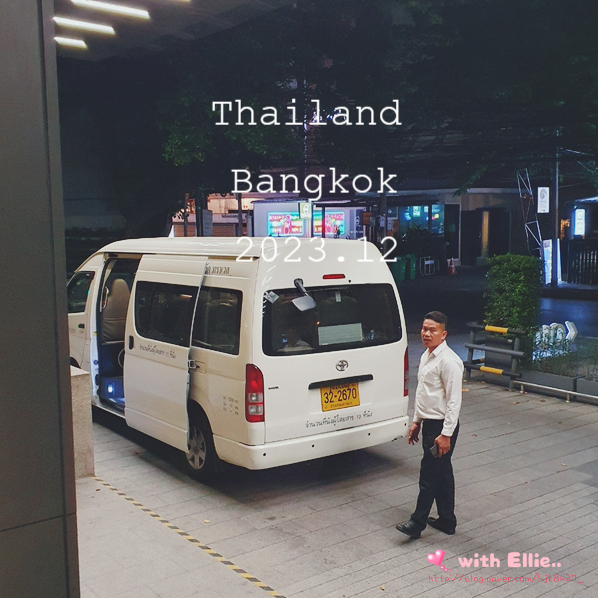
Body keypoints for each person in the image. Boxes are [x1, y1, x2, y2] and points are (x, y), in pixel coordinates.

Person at [396, 311, 463, 539]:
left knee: (429, 476)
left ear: (443, 334)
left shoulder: (449, 362)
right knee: (442, 474)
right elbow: (424, 394)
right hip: (430, 424)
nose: (426, 333)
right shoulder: (427, 355)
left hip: (441, 428)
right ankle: (447, 520)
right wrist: (416, 421)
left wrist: (446, 434)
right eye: (424, 329)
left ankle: (417, 523)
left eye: (432, 330)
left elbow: (454, 402)